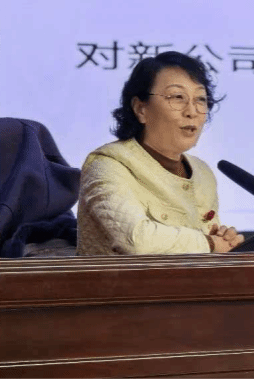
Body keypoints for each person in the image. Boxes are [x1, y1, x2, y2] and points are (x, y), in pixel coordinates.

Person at [77, 51, 244, 255]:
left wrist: (223, 240)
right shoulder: (108, 164)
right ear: (141, 109)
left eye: (200, 99)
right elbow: (135, 241)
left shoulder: (202, 172)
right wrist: (209, 243)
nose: (192, 111)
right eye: (178, 97)